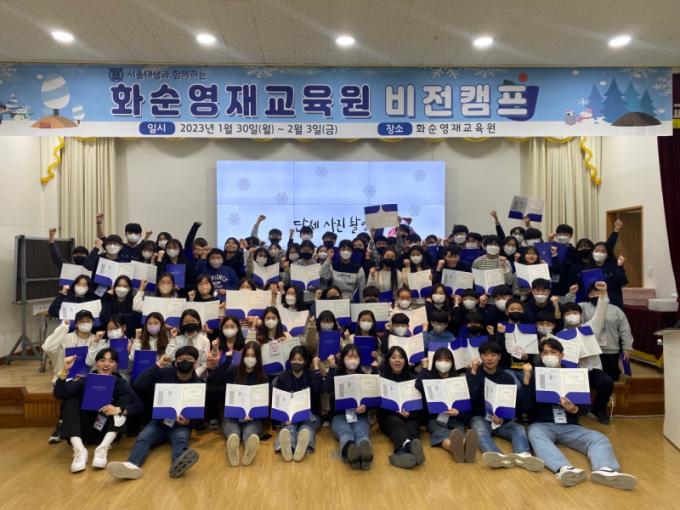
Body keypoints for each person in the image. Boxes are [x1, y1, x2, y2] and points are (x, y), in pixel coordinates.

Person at [524, 338, 636, 489]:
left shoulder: (574, 375)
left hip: (570, 425)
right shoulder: (535, 374)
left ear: (561, 355)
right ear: (540, 356)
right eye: (545, 353)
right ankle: (565, 469)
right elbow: (525, 406)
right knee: (535, 436)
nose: (549, 356)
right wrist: (527, 379)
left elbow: (585, 407)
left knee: (599, 438)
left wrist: (575, 409)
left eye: (553, 352)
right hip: (542, 424)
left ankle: (605, 470)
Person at [107, 346, 203, 479]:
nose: (184, 362)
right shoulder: (165, 373)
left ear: (196, 362)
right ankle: (131, 465)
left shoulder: (199, 385)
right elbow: (138, 385)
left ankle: (179, 462)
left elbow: (200, 416)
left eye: (189, 359)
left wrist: (189, 422)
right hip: (159, 421)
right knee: (143, 437)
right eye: (181, 359)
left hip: (181, 425)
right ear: (175, 362)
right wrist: (158, 365)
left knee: (180, 441)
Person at [54, 348, 142, 472]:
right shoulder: (86, 380)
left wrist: (119, 409)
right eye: (102, 360)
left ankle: (102, 449)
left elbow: (139, 405)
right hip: (82, 432)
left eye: (111, 361)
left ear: (116, 365)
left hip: (107, 431)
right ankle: (79, 450)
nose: (106, 364)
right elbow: (59, 393)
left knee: (125, 400)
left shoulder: (120, 383)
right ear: (96, 363)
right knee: (70, 400)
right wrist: (65, 370)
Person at [467, 340, 544, 471]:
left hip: (502, 420)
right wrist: (473, 372)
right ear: (480, 357)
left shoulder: (507, 377)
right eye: (485, 355)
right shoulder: (474, 374)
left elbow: (512, 404)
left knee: (519, 429)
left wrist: (503, 418)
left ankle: (523, 455)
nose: (489, 358)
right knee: (479, 431)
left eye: (493, 355)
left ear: (499, 357)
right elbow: (472, 398)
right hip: (481, 417)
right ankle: (498, 456)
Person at [208, 341, 268, 467]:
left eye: (253, 356)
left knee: (250, 430)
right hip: (232, 415)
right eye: (247, 355)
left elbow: (264, 402)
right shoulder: (232, 371)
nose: (250, 358)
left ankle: (249, 446)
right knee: (232, 429)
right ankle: (233, 444)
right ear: (242, 356)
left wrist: (254, 415)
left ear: (258, 358)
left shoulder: (263, 376)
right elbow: (218, 387)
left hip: (252, 418)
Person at [416, 347, 478, 463]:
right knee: (441, 433)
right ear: (434, 362)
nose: (443, 363)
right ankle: (455, 449)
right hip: (435, 418)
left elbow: (466, 401)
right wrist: (424, 367)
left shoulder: (458, 380)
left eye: (447, 360)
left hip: (454, 418)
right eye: (440, 360)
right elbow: (418, 385)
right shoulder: (429, 378)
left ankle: (464, 447)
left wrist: (458, 412)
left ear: (452, 362)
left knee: (458, 432)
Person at [322, 344, 375, 470]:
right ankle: (350, 450)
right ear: (343, 359)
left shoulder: (363, 377)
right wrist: (331, 368)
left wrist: (365, 407)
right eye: (349, 356)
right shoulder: (336, 374)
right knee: (345, 432)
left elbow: (370, 399)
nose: (352, 360)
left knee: (361, 431)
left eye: (355, 357)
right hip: (339, 415)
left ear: (360, 359)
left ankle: (364, 450)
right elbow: (326, 388)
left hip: (359, 415)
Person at [377, 346, 425, 469]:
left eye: (401, 357)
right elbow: (379, 408)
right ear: (388, 360)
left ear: (405, 361)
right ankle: (409, 447)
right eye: (394, 357)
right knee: (395, 422)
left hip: (409, 416)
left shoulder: (413, 379)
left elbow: (419, 407)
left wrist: (410, 414)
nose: (397, 360)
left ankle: (400, 452)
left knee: (413, 425)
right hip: (389, 416)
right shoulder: (382, 379)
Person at [274, 346, 323, 462]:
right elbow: (279, 402)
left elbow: (319, 390)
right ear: (290, 360)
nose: (296, 362)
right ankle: (287, 448)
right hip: (289, 415)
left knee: (307, 429)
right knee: (289, 429)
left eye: (300, 360)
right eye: (294, 359)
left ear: (305, 361)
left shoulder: (310, 375)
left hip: (310, 414)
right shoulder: (283, 377)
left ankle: (303, 446)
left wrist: (316, 367)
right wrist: (284, 417)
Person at [580, 283, 634, 382]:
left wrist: (627, 347)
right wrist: (571, 295)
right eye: (592, 293)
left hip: (611, 351)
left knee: (612, 380)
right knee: (593, 381)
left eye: (598, 292)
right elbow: (570, 309)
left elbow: (625, 329)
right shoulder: (583, 307)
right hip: (591, 352)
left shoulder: (616, 310)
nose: (595, 295)